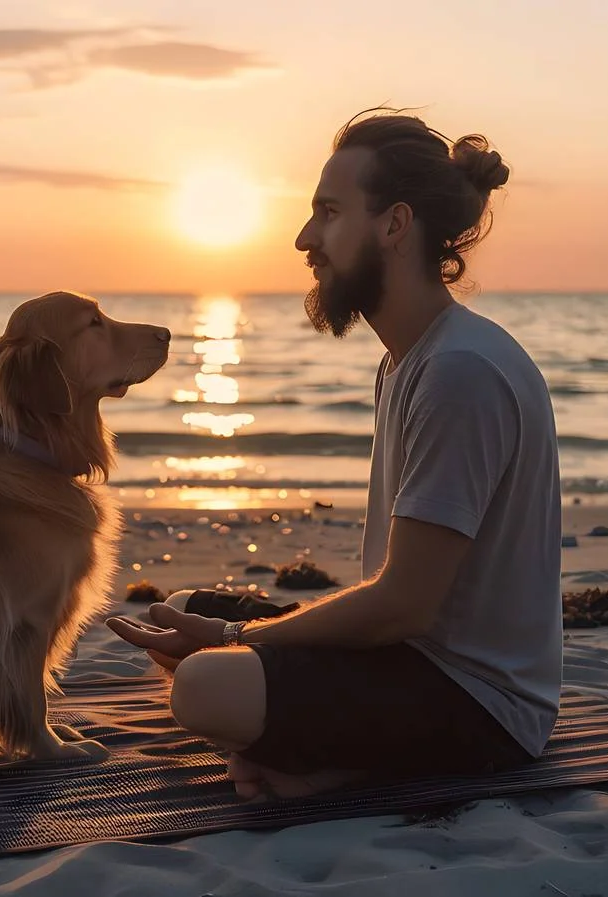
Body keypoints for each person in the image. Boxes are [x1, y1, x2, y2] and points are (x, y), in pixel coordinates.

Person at [105, 108, 563, 799]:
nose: (303, 238)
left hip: (480, 703)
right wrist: (235, 630)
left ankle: (333, 771)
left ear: (394, 224)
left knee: (203, 680)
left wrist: (238, 636)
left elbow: (404, 604)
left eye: (327, 211)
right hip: (408, 659)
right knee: (180, 607)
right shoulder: (411, 360)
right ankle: (314, 760)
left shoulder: (460, 372)